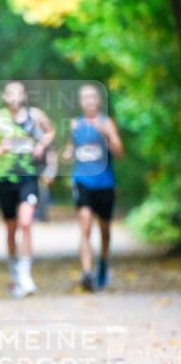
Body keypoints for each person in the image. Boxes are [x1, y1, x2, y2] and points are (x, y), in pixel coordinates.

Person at [0, 81, 55, 297]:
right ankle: (14, 272)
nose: (14, 97)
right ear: (4, 96)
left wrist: (41, 145)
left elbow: (50, 132)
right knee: (11, 228)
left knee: (26, 222)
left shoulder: (36, 116)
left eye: (18, 93)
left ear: (23, 96)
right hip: (4, 178)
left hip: (28, 176)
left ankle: (26, 275)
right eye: (10, 93)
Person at [62, 83, 124, 291]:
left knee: (104, 229)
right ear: (80, 102)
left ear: (98, 101)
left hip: (105, 183)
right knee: (85, 225)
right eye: (84, 98)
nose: (88, 101)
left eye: (92, 97)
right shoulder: (75, 124)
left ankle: (104, 263)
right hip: (82, 181)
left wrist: (107, 135)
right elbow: (70, 150)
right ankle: (87, 272)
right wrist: (67, 153)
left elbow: (119, 152)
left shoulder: (107, 123)